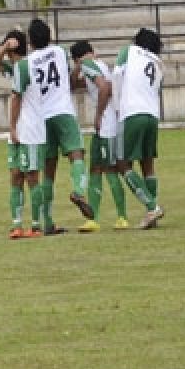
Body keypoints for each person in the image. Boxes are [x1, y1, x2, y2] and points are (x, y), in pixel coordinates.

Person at [10, 19, 93, 233]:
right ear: (49, 36)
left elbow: (18, 94)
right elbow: (68, 79)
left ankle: (47, 222)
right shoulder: (59, 52)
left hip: (41, 118)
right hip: (63, 111)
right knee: (77, 155)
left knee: (48, 171)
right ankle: (78, 190)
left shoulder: (26, 63)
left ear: (30, 41)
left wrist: (13, 126)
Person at [70, 40, 128, 232]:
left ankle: (122, 216)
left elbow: (105, 88)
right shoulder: (96, 65)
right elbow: (74, 83)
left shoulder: (90, 65)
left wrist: (98, 114)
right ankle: (93, 218)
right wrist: (78, 68)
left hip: (107, 125)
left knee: (110, 170)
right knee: (95, 169)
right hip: (103, 127)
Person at [0, 29, 44, 239]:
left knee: (31, 176)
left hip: (29, 128)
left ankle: (36, 225)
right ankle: (17, 224)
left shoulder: (25, 66)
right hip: (20, 129)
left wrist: (12, 127)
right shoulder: (15, 68)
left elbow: (16, 98)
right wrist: (4, 48)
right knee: (15, 175)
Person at [116, 27, 166, 229]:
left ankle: (152, 206)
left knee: (122, 164)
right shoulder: (159, 63)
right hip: (152, 115)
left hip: (132, 112)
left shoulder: (128, 51)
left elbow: (117, 77)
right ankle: (150, 214)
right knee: (147, 164)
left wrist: (116, 108)